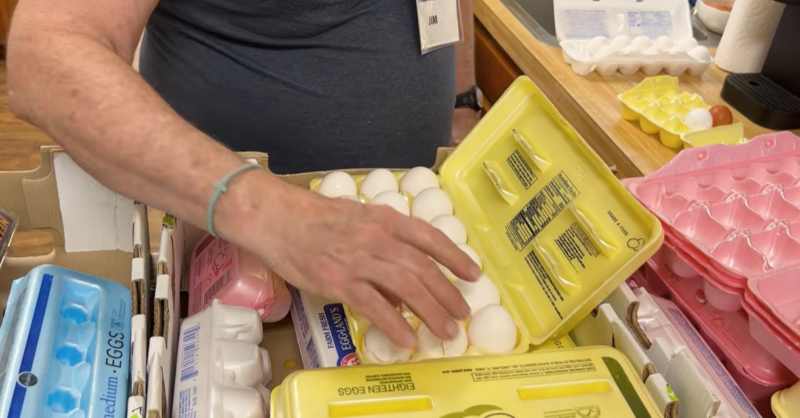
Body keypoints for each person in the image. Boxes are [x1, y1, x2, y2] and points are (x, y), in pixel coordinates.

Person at [6, 0, 483, 348]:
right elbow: (44, 52)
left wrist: (462, 100)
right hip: (246, 269)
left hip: (410, 216)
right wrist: (273, 215)